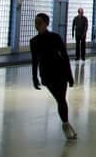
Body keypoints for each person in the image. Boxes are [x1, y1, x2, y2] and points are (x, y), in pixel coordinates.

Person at [30, 12, 77, 140]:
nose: (37, 25)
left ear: (46, 24)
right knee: (60, 99)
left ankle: (65, 124)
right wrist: (34, 77)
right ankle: (66, 124)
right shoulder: (34, 42)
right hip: (47, 75)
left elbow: (65, 56)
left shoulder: (55, 37)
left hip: (60, 72)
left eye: (39, 22)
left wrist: (70, 75)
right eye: (36, 23)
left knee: (61, 99)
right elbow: (35, 61)